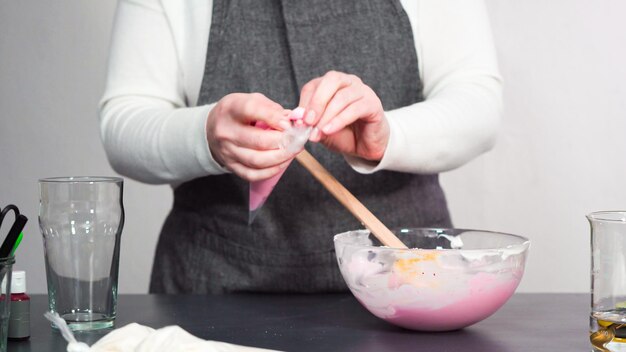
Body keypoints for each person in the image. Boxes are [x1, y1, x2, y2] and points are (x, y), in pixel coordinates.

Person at [99, 0, 502, 294]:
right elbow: (124, 124)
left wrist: (387, 135)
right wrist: (205, 134)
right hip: (214, 286)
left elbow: (479, 105)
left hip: (404, 282)